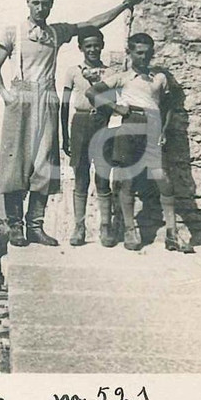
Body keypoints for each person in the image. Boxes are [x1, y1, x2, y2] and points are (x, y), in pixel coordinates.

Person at [0, 0, 144, 247]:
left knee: (43, 163)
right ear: (27, 2)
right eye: (36, 2)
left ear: (51, 5)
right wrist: (6, 94)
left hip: (47, 100)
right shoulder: (13, 32)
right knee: (15, 163)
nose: (40, 8)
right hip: (20, 100)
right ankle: (16, 228)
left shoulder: (56, 32)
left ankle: (35, 226)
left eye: (45, 4)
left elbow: (92, 23)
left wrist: (125, 5)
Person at [86, 32, 194, 254]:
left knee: (163, 179)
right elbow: (92, 92)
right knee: (127, 180)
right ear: (130, 53)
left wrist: (164, 130)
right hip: (129, 126)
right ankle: (130, 229)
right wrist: (116, 108)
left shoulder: (160, 78)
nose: (144, 57)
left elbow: (170, 105)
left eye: (148, 53)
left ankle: (172, 233)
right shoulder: (122, 77)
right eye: (139, 53)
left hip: (152, 127)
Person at [61, 27, 116, 247]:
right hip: (80, 123)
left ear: (102, 46)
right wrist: (65, 136)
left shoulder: (110, 73)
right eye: (88, 46)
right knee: (81, 175)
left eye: (96, 45)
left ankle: (106, 227)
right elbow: (64, 105)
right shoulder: (72, 71)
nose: (92, 49)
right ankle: (79, 227)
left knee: (103, 176)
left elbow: (114, 102)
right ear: (81, 48)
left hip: (102, 122)